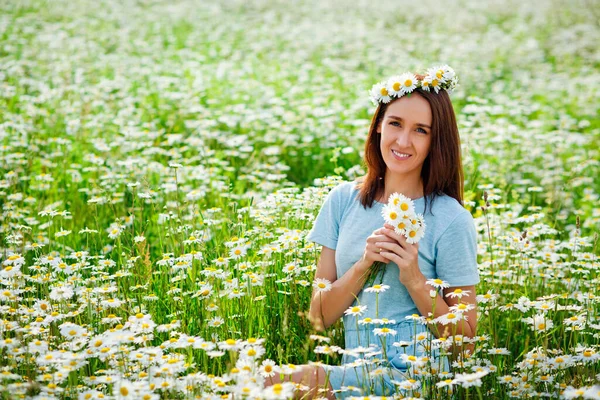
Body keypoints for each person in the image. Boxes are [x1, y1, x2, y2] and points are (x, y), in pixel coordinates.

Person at [264, 66, 480, 399]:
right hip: (359, 369)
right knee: (264, 383)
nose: (403, 141)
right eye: (395, 123)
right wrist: (363, 264)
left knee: (273, 385)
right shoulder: (342, 201)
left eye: (421, 130)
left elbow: (464, 345)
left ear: (436, 140)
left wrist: (412, 277)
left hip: (415, 378)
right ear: (379, 125)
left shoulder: (451, 219)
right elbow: (319, 318)